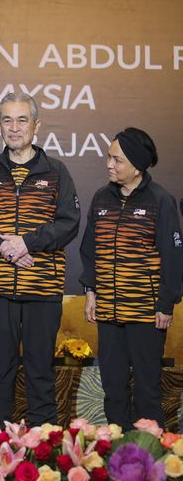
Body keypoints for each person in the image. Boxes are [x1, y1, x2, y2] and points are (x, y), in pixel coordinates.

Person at [0, 92, 80, 439]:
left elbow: (68, 222)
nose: (15, 127)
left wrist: (28, 242)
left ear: (36, 125)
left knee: (41, 371)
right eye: (7, 120)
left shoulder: (56, 172)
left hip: (43, 289)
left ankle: (44, 452)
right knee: (0, 370)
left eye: (22, 119)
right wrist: (4, 247)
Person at [79, 127, 182, 429]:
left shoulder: (160, 200)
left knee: (148, 389)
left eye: (117, 160)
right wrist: (90, 292)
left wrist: (166, 304)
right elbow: (89, 250)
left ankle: (148, 459)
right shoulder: (101, 198)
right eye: (108, 158)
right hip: (109, 312)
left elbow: (173, 257)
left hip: (146, 314)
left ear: (137, 165)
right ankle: (116, 456)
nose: (109, 165)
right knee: (113, 388)